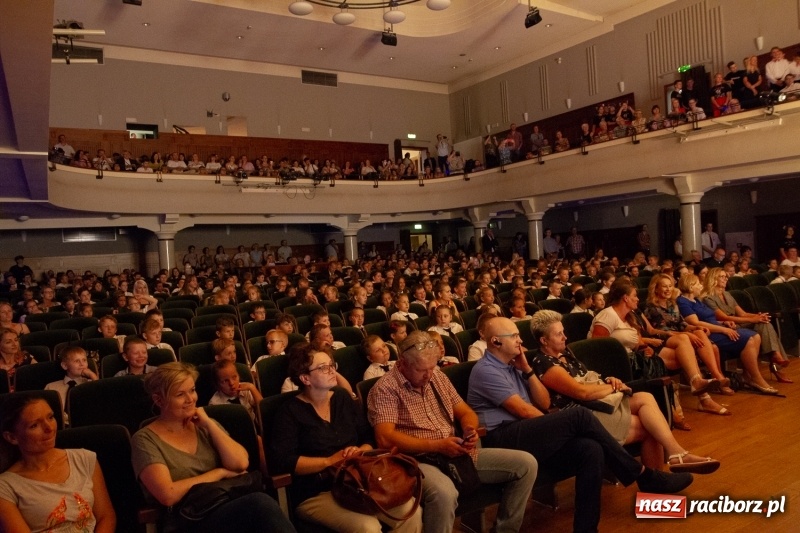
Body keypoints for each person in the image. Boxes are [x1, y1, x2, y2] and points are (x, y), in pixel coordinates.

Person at [467, 317, 695, 533]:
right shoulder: (486, 370)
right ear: (496, 341)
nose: (521, 341)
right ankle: (642, 474)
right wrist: (554, 426)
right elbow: (524, 411)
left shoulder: (514, 366)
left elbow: (543, 401)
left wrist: (527, 370)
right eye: (515, 336)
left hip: (525, 432)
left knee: (590, 449)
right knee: (579, 416)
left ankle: (586, 528)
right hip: (503, 437)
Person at [368, 330, 537, 533]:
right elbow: (385, 438)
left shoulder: (436, 376)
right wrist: (437, 445)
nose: (428, 375)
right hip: (416, 461)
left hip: (452, 452)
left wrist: (468, 428)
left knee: (526, 465)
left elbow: (466, 411)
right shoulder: (385, 388)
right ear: (402, 364)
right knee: (444, 493)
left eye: (432, 368)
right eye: (422, 370)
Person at [529, 309, 719, 464]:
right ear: (543, 341)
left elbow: (586, 379)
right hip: (583, 416)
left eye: (563, 331)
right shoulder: (544, 364)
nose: (565, 337)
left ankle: (676, 454)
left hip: (599, 402)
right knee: (651, 429)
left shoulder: (565, 353)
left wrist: (609, 380)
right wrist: (613, 388)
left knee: (645, 397)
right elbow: (581, 392)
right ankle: (660, 482)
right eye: (558, 334)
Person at [270, 344, 421, 532]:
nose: (331, 370)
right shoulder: (288, 412)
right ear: (305, 378)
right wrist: (328, 461)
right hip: (317, 491)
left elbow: (367, 436)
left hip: (357, 480)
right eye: (323, 368)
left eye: (332, 365)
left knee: (411, 512)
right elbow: (283, 461)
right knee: (368, 527)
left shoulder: (342, 398)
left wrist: (361, 450)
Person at [131, 362, 293, 533]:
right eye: (180, 394)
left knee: (259, 509)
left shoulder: (205, 425)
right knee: (260, 505)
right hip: (188, 520)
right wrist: (219, 473)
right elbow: (168, 495)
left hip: (228, 506)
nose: (190, 399)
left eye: (192, 390)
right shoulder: (144, 440)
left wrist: (209, 424)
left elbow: (240, 464)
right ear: (159, 400)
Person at [589, 280, 721, 419]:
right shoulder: (608, 315)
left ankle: (694, 390)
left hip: (634, 357)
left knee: (683, 356)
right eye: (635, 295)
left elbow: (635, 340)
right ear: (625, 298)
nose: (638, 299)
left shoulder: (629, 317)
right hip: (618, 363)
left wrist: (645, 347)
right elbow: (597, 347)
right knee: (682, 355)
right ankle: (690, 400)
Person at [0, 395, 116, 533]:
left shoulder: (84, 458)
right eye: (34, 425)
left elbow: (106, 517)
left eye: (50, 417)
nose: (49, 428)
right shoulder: (5, 486)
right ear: (12, 437)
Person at [676, 274, 777, 395]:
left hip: (718, 327)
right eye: (698, 284)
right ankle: (756, 378)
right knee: (749, 339)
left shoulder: (696, 300)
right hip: (709, 333)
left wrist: (724, 322)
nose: (701, 286)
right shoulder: (683, 301)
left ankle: (747, 374)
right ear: (691, 286)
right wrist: (723, 329)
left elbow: (709, 318)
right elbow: (696, 323)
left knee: (755, 336)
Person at [702, 267, 792, 383]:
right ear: (713, 278)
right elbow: (723, 317)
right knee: (761, 324)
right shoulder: (708, 298)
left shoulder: (727, 294)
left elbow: (743, 313)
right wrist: (754, 319)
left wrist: (756, 316)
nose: (725, 279)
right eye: (722, 277)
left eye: (726, 276)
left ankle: (775, 357)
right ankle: (775, 363)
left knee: (764, 323)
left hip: (738, 322)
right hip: (726, 326)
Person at [45, 346, 99, 425]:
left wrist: (92, 375)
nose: (82, 364)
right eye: (77, 361)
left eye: (84, 360)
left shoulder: (90, 383)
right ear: (65, 366)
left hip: (87, 425)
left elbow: (100, 397)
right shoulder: (51, 387)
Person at [0, 327, 36, 392]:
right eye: (8, 342)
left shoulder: (26, 358)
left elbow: (40, 376)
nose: (14, 344)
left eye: (16, 340)